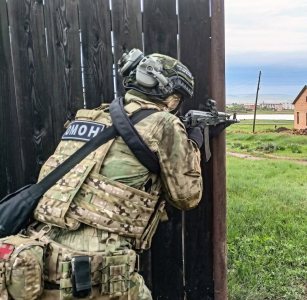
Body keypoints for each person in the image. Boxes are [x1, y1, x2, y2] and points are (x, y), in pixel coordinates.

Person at [18, 49, 227, 300]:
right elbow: (187, 197)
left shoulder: (90, 118)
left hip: (37, 253)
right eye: (177, 97)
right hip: (93, 267)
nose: (175, 105)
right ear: (166, 93)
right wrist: (192, 142)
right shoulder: (164, 123)